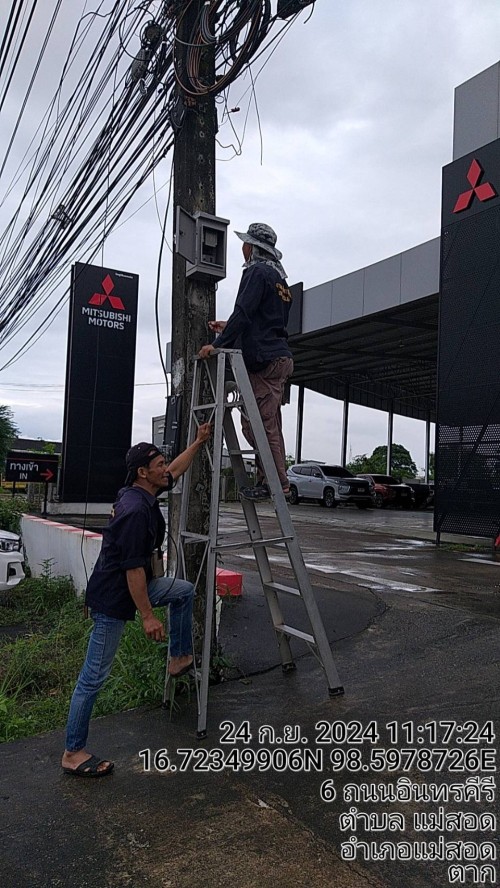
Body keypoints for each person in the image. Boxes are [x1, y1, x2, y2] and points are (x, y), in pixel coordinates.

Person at [61, 423, 211, 778]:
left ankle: (178, 656)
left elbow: (175, 471)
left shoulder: (142, 493)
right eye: (159, 463)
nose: (165, 467)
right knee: (93, 678)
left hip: (135, 589)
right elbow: (132, 572)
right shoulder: (134, 511)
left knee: (183, 591)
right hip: (116, 599)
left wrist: (199, 442)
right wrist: (147, 616)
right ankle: (72, 751)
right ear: (144, 472)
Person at [199, 222, 293, 501]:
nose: (242, 248)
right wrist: (228, 327)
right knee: (268, 424)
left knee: (259, 426)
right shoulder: (280, 281)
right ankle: (273, 479)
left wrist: (216, 345)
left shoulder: (256, 272)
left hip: (264, 360)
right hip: (279, 356)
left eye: (245, 243)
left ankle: (277, 484)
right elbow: (264, 321)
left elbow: (244, 311)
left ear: (252, 248)